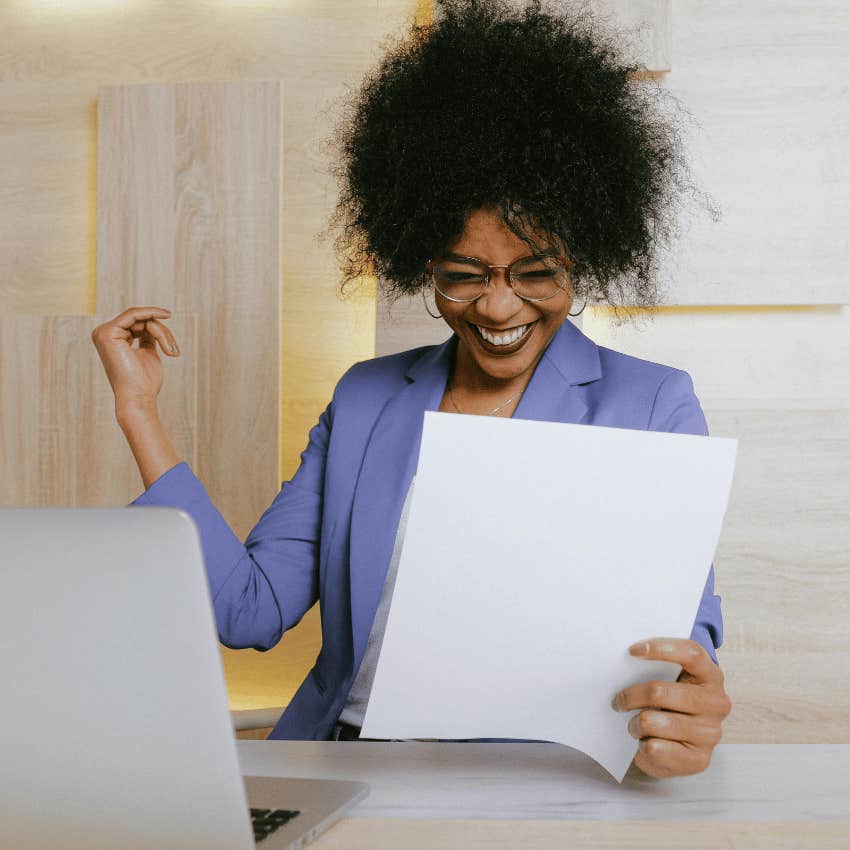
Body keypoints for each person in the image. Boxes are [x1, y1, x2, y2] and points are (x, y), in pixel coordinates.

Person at [91, 0, 731, 778]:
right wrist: (139, 412)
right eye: (463, 276)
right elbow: (248, 611)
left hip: (536, 781)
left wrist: (687, 702)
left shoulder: (652, 406)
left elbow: (684, 628)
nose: (497, 306)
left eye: (536, 272)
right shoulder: (367, 399)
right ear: (419, 260)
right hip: (342, 770)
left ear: (583, 258)